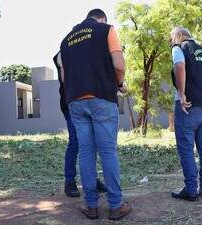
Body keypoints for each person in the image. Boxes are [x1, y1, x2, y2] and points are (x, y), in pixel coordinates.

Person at [57, 9, 132, 221]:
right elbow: (119, 64)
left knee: (86, 153)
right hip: (101, 97)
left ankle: (91, 206)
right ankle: (116, 205)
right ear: (101, 19)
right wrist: (118, 84)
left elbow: (64, 77)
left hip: (75, 102)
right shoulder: (106, 30)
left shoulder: (65, 41)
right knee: (108, 151)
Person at [169, 27, 202, 201]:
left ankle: (191, 190)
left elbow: (180, 65)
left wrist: (181, 94)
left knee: (186, 149)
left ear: (180, 36)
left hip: (187, 107)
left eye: (172, 37)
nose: (171, 41)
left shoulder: (179, 48)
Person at [53, 53, 107, 198]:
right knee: (75, 142)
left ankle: (91, 180)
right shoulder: (62, 53)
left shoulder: (83, 50)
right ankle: (69, 182)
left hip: (88, 100)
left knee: (91, 142)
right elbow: (65, 79)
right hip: (71, 102)